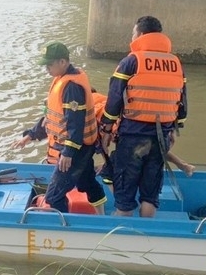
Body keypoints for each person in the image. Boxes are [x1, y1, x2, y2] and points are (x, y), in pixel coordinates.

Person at [99, 16, 188, 218]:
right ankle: (146, 236)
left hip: (133, 135)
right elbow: (182, 101)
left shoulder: (131, 61)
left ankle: (121, 236)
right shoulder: (176, 63)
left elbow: (114, 100)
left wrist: (106, 129)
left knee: (124, 196)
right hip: (162, 135)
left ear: (139, 34)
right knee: (150, 195)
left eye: (133, 33)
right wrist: (175, 129)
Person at [36, 41, 106, 214]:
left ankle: (63, 227)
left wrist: (68, 152)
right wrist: (31, 134)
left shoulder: (71, 87)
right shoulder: (62, 80)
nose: (47, 69)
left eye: (50, 65)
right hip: (82, 147)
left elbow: (75, 121)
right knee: (86, 182)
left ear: (63, 62)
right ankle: (102, 216)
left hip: (75, 148)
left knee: (53, 195)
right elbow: (51, 116)